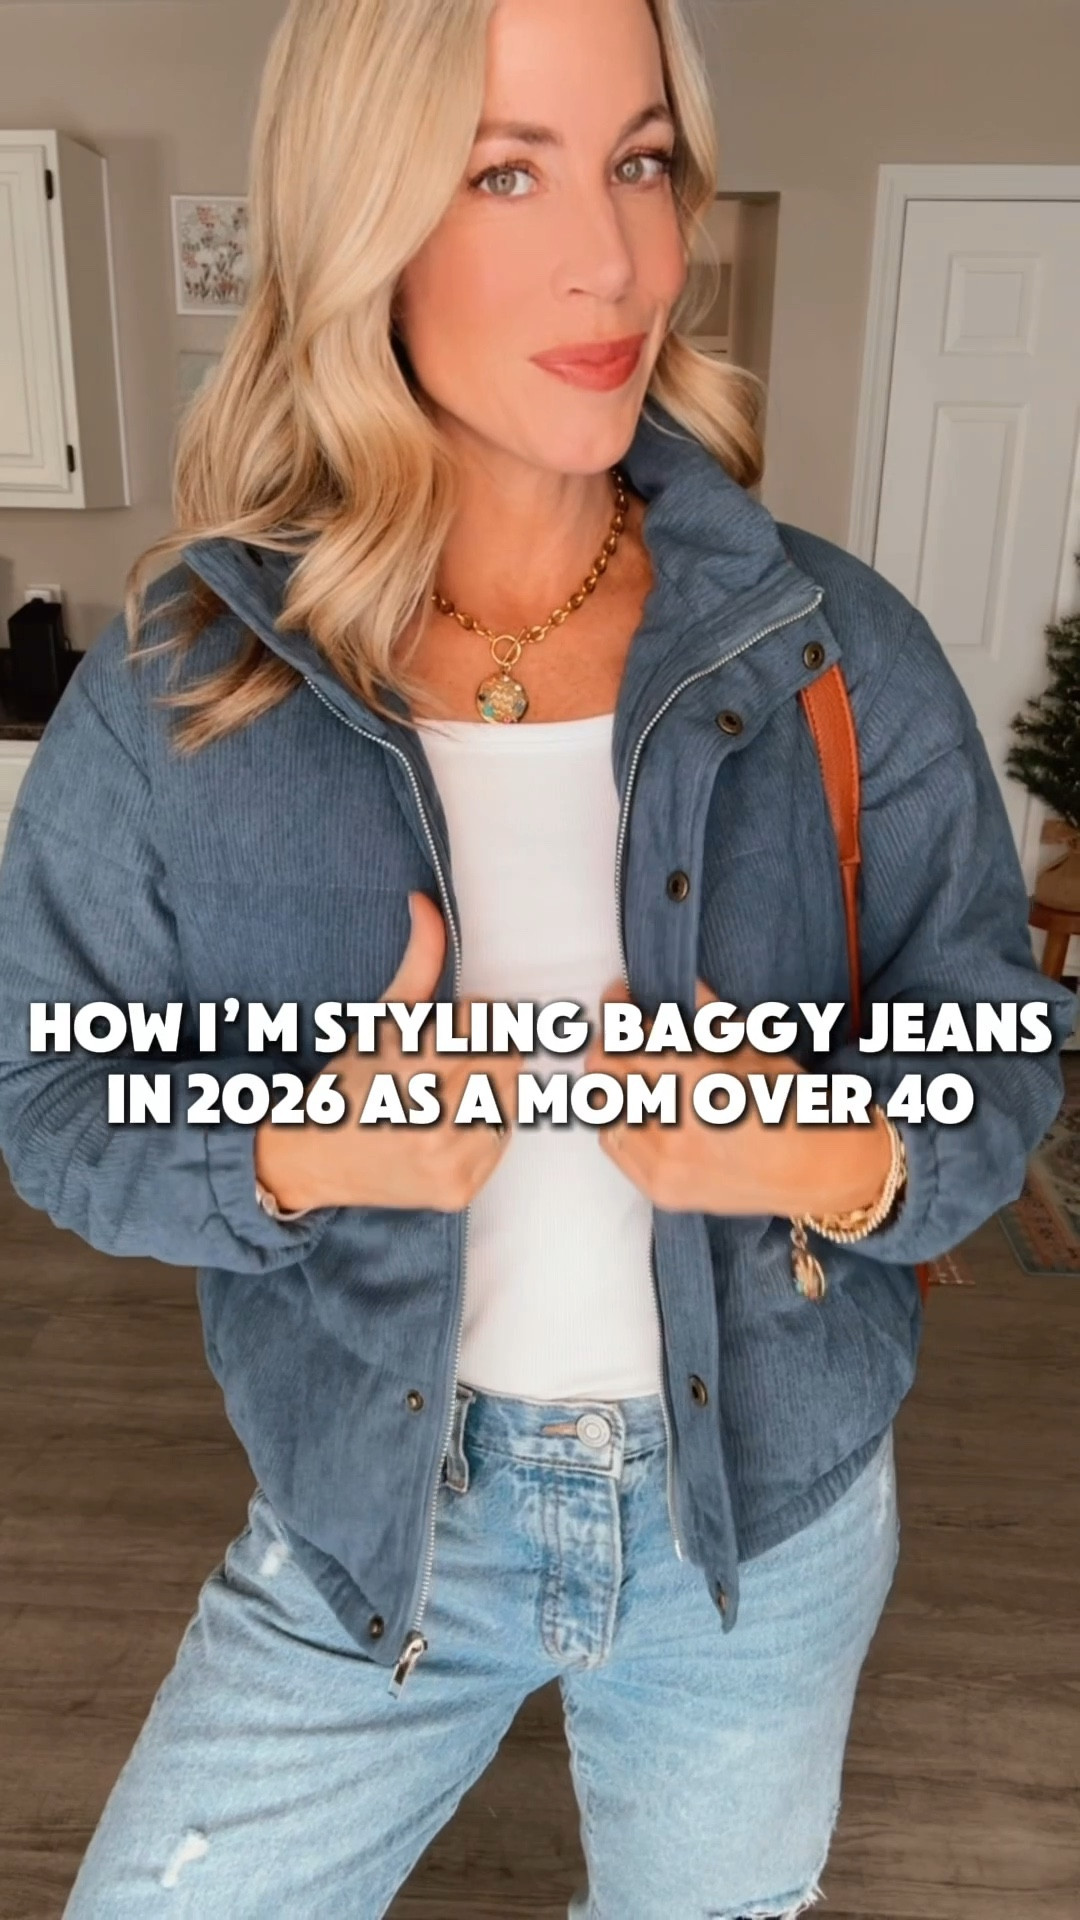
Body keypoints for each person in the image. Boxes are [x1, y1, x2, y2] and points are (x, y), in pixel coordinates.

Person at [0, 0, 1074, 1914]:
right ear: (362, 221)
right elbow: (49, 1091)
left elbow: (999, 1050)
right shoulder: (183, 686)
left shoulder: (839, 649)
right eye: (506, 173)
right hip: (373, 1518)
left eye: (640, 161)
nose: (618, 260)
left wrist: (830, 1151)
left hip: (763, 1519)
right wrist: (294, 1151)